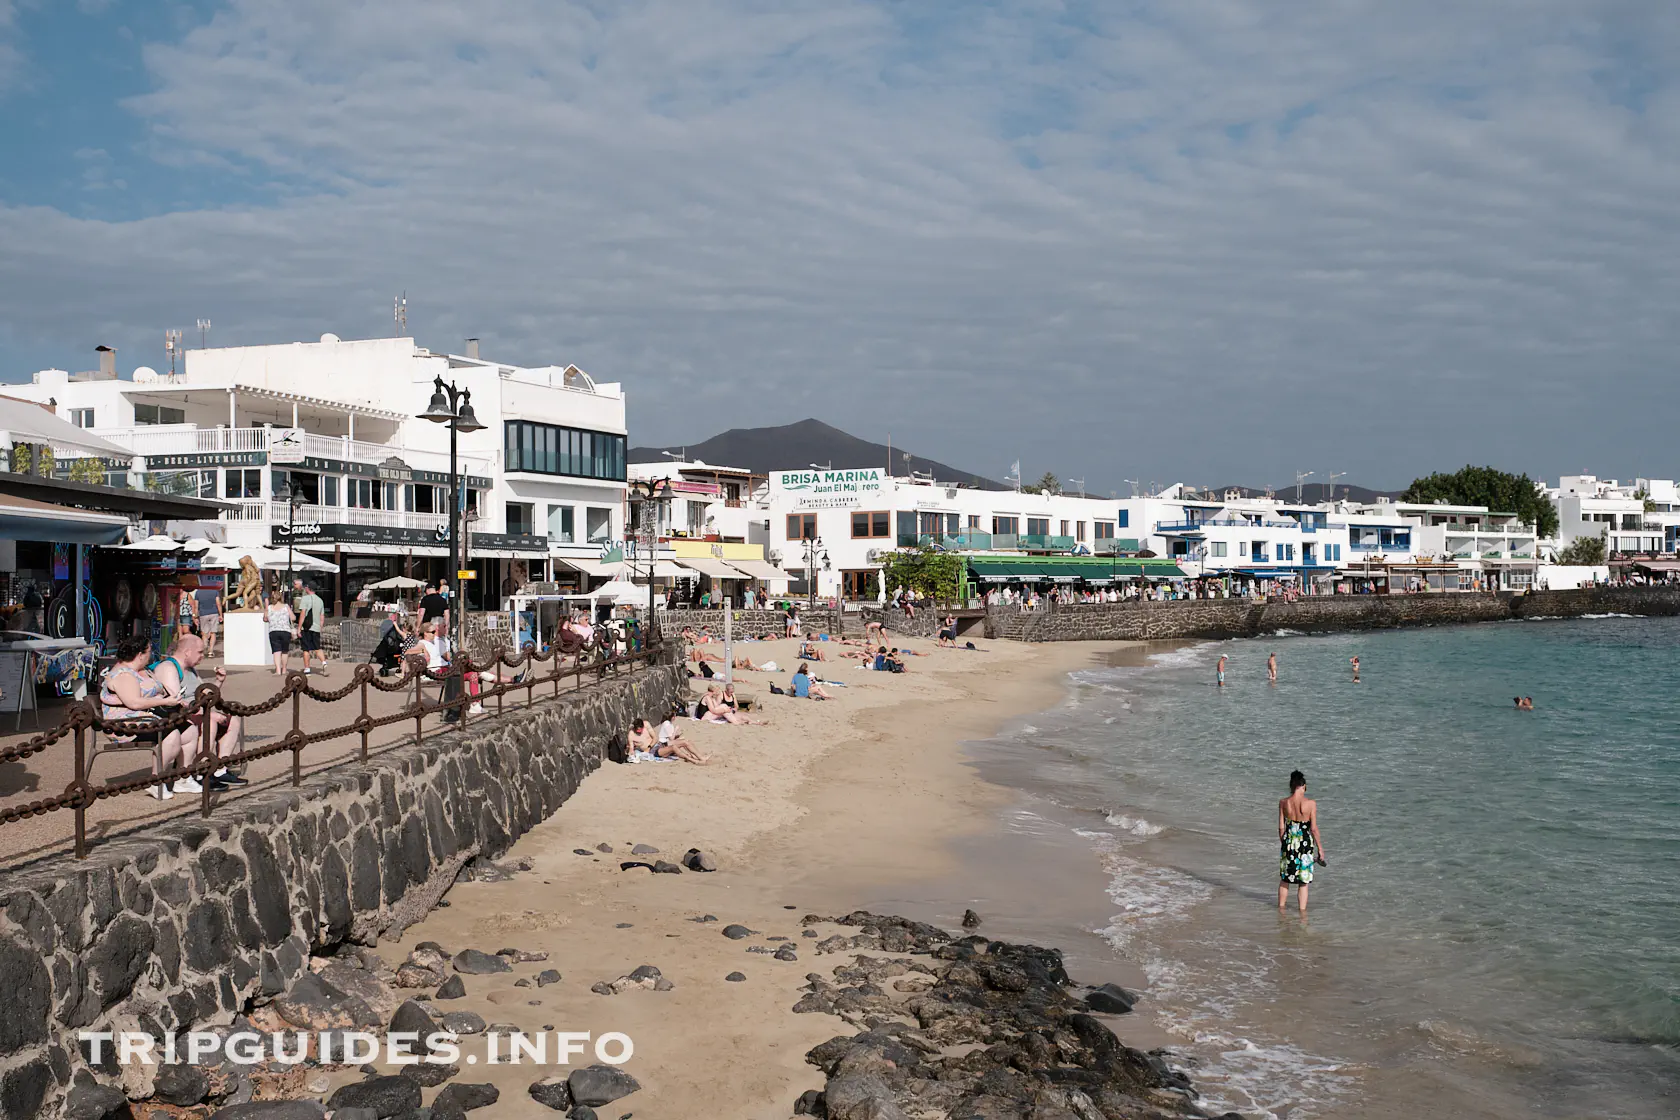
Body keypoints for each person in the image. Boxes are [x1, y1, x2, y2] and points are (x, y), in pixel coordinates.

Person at [101, 636, 200, 800]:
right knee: (171, 734)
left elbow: (159, 690)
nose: (151, 655)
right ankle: (156, 781)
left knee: (189, 731)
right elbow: (134, 703)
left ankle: (183, 778)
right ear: (140, 655)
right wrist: (165, 701)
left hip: (148, 717)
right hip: (125, 724)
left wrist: (174, 699)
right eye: (149, 651)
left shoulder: (143, 670)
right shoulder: (124, 675)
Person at [151, 633, 246, 789]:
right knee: (211, 722)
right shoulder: (169, 668)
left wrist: (218, 682)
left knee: (233, 721)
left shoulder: (191, 669)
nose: (202, 656)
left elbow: (203, 694)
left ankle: (220, 769)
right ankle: (202, 771)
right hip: (178, 716)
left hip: (196, 712)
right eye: (200, 652)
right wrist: (206, 714)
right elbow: (177, 703)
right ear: (187, 652)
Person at [1278, 770, 1325, 913]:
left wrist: (1285, 843)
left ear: (1291, 786)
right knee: (1303, 881)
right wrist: (1320, 849)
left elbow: (1281, 827)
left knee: (1285, 879)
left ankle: (1281, 910)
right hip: (1304, 844)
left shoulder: (1284, 803)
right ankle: (1302, 913)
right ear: (1303, 786)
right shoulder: (1311, 804)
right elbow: (1314, 829)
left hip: (1289, 841)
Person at [294, 581, 327, 676]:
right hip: (316, 627)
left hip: (306, 627)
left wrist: (299, 628)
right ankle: (324, 662)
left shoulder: (305, 599)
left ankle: (307, 669)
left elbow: (303, 614)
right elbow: (322, 616)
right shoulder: (320, 600)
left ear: (308, 588)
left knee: (306, 649)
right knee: (317, 648)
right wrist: (320, 627)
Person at [702, 684, 767, 725]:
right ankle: (739, 723)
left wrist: (732, 709)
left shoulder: (712, 698)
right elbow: (714, 710)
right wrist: (725, 710)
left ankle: (754, 722)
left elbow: (736, 706)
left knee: (742, 715)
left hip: (727, 712)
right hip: (712, 715)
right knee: (725, 707)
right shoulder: (714, 697)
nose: (717, 693)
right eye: (717, 691)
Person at [266, 589, 295, 677]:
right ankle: (284, 669)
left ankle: (278, 670)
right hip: (285, 631)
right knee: (284, 651)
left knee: (276, 651)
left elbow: (265, 618)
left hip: (273, 631)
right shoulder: (286, 606)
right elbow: (293, 618)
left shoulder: (269, 607)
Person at [194, 582, 222, 658]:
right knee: (213, 633)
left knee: (204, 633)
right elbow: (218, 603)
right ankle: (211, 651)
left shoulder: (198, 592)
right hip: (214, 613)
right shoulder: (214, 591)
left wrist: (195, 617)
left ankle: (205, 645)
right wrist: (220, 615)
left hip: (203, 614)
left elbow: (196, 606)